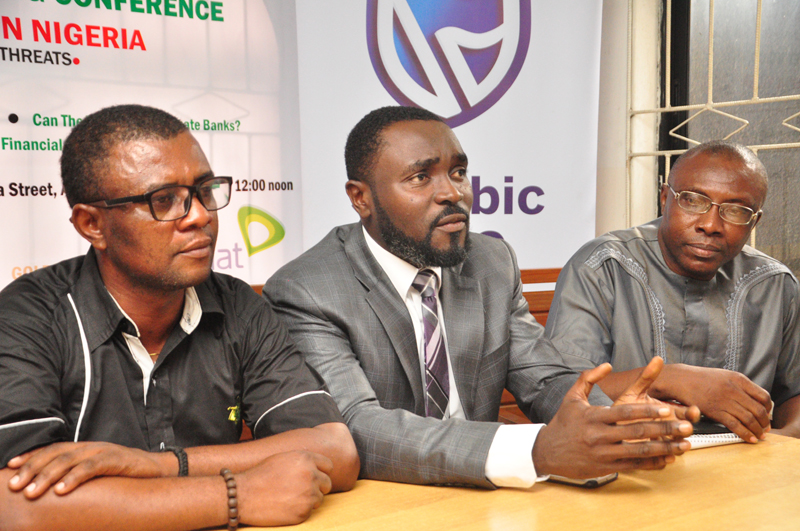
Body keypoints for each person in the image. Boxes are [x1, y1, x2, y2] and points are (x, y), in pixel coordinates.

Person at [264, 105, 697, 490]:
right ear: (361, 198)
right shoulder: (308, 289)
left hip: (488, 497)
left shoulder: (491, 261)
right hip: (387, 503)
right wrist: (535, 451)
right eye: (420, 177)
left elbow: (543, 377)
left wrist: (607, 426)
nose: (453, 193)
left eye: (457, 172)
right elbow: (358, 427)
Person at [0, 104, 359, 530]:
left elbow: (335, 450)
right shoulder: (29, 315)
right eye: (164, 200)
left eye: (205, 190)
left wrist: (159, 465)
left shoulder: (238, 305)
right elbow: (13, 502)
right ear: (92, 224)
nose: (201, 215)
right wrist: (234, 495)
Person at [545, 140, 800, 443]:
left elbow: (794, 392)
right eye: (693, 200)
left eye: (735, 210)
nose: (710, 224)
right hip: (628, 456)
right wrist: (668, 379)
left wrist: (782, 444)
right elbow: (562, 392)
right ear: (665, 198)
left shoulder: (774, 284)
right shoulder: (602, 267)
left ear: (754, 222)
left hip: (745, 459)